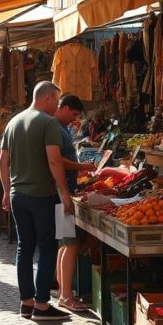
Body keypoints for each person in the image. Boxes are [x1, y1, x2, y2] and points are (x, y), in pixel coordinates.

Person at [0, 81, 71, 321]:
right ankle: (41, 305)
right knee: (48, 247)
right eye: (58, 100)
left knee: (24, 248)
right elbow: (54, 161)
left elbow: (2, 161)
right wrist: (65, 193)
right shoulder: (49, 123)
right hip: (42, 195)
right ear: (48, 98)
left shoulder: (13, 122)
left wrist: (7, 192)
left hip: (18, 195)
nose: (58, 105)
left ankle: (26, 302)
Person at [52, 94, 97, 311]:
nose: (75, 119)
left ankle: (63, 291)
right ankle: (67, 296)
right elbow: (56, 161)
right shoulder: (55, 127)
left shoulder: (60, 128)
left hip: (63, 191)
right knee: (70, 243)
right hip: (62, 191)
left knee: (65, 243)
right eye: (74, 114)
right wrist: (82, 168)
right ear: (65, 107)